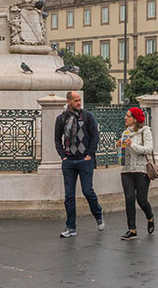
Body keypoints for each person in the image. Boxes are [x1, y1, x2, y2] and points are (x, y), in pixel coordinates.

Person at [54, 91, 104, 237]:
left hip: (85, 160)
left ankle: (98, 215)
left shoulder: (87, 116)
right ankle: (71, 227)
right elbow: (57, 139)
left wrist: (90, 155)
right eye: (75, 100)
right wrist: (63, 156)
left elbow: (95, 136)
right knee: (69, 196)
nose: (78, 103)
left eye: (79, 100)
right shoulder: (62, 118)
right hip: (69, 161)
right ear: (68, 101)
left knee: (87, 191)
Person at [119, 107, 155, 240]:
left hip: (141, 170)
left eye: (128, 116)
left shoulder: (145, 131)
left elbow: (148, 149)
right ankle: (132, 229)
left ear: (135, 119)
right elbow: (122, 152)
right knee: (129, 198)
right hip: (127, 170)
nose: (125, 118)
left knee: (141, 200)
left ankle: (150, 217)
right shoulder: (125, 132)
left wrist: (132, 144)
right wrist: (118, 145)